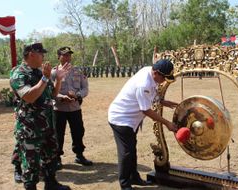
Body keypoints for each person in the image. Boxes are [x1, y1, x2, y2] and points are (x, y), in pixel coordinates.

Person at [108, 59, 178, 190]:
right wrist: (167, 123)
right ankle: (125, 185)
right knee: (126, 153)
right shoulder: (143, 84)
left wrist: (163, 101)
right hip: (121, 119)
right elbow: (146, 110)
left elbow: (153, 93)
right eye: (164, 78)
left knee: (131, 150)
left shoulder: (149, 71)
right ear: (156, 72)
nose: (164, 81)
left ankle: (134, 177)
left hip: (131, 120)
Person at [10, 42, 71, 190]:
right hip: (30, 128)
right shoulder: (19, 73)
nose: (43, 56)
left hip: (47, 125)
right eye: (41, 54)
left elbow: (53, 94)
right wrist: (44, 78)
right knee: (31, 164)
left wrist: (58, 80)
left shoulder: (39, 72)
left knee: (50, 158)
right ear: (31, 54)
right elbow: (29, 97)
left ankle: (51, 184)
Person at [52, 46, 93, 169]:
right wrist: (61, 97)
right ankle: (57, 158)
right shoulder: (54, 72)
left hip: (75, 108)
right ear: (58, 57)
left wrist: (78, 95)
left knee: (78, 131)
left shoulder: (78, 71)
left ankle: (79, 155)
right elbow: (50, 91)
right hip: (59, 109)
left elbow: (85, 87)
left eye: (69, 55)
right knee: (58, 134)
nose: (67, 57)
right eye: (64, 55)